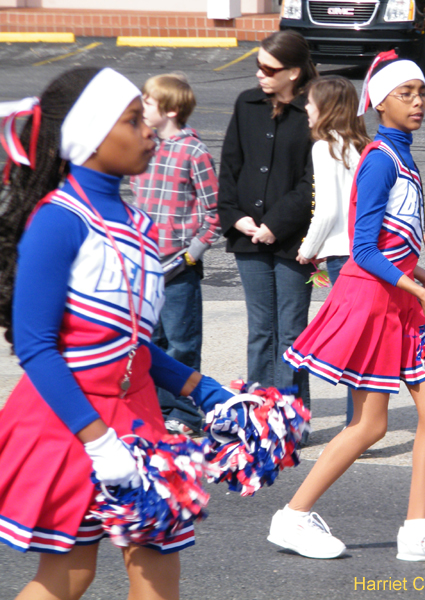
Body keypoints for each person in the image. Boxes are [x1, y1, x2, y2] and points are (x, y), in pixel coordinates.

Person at [0, 67, 237, 600]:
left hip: (140, 418)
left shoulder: (139, 223)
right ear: (90, 135)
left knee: (158, 573)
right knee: (69, 575)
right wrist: (98, 441)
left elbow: (128, 343)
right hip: (72, 421)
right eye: (133, 120)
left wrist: (205, 390)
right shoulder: (59, 220)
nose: (149, 128)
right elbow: (36, 347)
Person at [273, 56, 425, 565]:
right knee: (370, 425)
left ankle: (417, 530)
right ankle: (292, 517)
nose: (419, 102)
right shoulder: (381, 157)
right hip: (372, 300)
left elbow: (393, 238)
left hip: (401, 297)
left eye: (422, 93)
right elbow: (362, 249)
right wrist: (421, 291)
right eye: (406, 93)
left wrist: (421, 277)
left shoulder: (401, 155)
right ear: (379, 102)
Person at [217, 30, 316, 416]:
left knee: (291, 331)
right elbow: (229, 166)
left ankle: (292, 414)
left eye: (269, 69)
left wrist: (276, 223)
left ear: (293, 73)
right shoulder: (247, 103)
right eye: (257, 66)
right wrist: (235, 216)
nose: (260, 74)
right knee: (261, 331)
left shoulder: (312, 109)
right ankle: (258, 411)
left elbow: (314, 180)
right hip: (248, 236)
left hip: (293, 240)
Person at [130, 73, 221, 435]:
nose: (141, 108)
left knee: (182, 343)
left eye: (147, 103)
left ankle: (184, 413)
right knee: (150, 342)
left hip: (179, 266)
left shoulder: (194, 151)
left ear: (169, 110)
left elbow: (214, 213)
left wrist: (191, 255)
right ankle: (154, 407)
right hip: (146, 265)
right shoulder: (142, 145)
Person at [295, 75, 371, 426]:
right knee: (364, 341)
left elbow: (326, 210)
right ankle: (362, 419)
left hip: (342, 256)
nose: (306, 109)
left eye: (310, 103)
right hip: (366, 253)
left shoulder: (324, 147)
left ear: (325, 108)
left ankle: (355, 426)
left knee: (348, 343)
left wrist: (307, 249)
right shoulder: (362, 145)